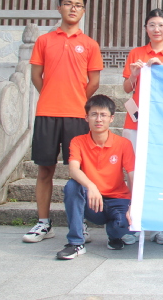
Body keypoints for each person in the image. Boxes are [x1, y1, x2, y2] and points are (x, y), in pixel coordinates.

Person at [23, 0, 103, 243]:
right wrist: (50, 94)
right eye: (68, 3)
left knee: (78, 172)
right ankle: (43, 223)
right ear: (59, 7)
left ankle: (79, 224)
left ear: (84, 11)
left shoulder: (89, 44)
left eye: (78, 5)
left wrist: (77, 99)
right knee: (44, 170)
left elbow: (93, 82)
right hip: (46, 113)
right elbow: (36, 76)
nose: (73, 8)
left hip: (77, 115)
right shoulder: (44, 41)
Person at [122, 8, 163, 246]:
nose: (156, 29)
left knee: (160, 170)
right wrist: (135, 74)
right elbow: (127, 89)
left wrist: (161, 70)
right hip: (135, 121)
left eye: (161, 25)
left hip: (162, 122)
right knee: (134, 172)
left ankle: (160, 226)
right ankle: (134, 223)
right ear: (146, 28)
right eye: (152, 25)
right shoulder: (136, 53)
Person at [56, 95, 135, 259]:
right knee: (72, 186)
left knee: (123, 225)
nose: (98, 119)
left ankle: (114, 236)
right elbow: (73, 170)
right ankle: (76, 242)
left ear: (111, 118)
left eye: (103, 115)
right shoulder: (78, 141)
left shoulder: (123, 144)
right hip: (93, 200)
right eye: (94, 114)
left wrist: (133, 205)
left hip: (117, 199)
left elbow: (132, 174)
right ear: (86, 117)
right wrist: (91, 186)